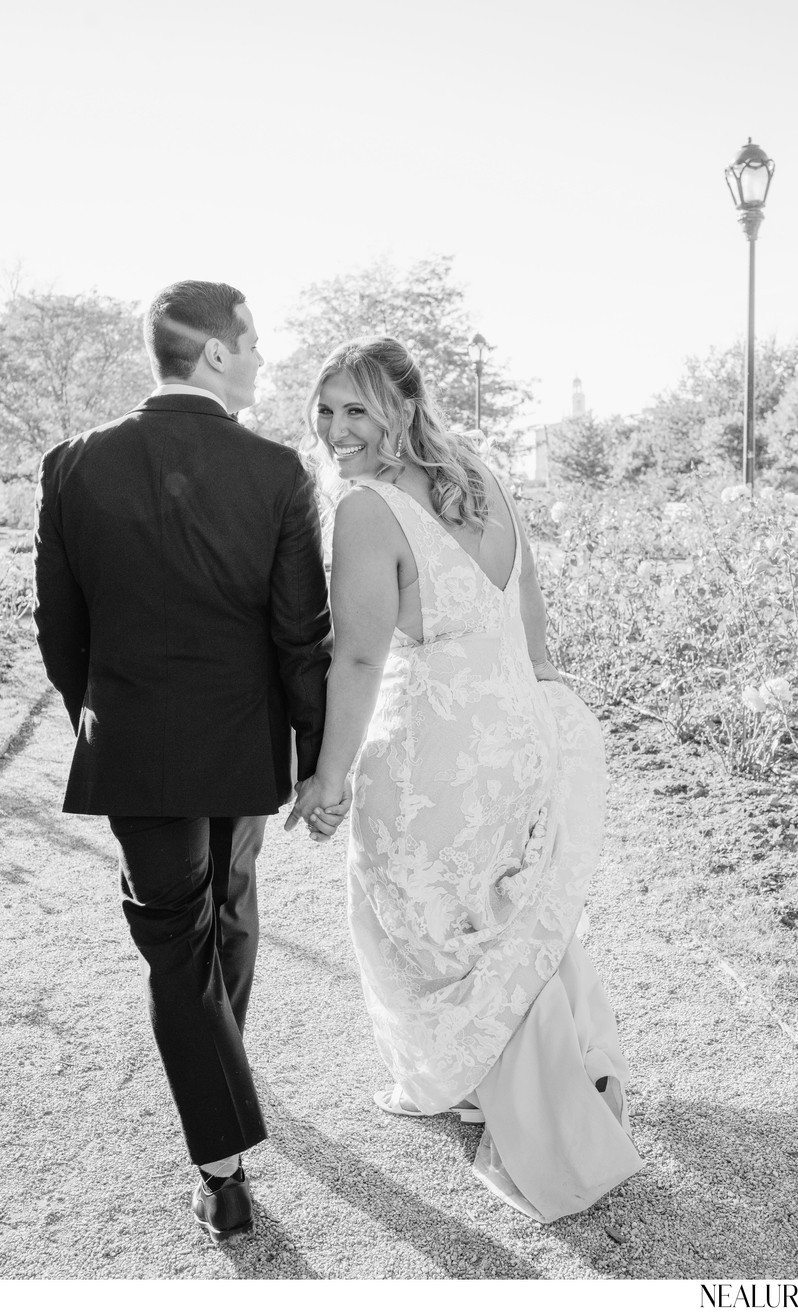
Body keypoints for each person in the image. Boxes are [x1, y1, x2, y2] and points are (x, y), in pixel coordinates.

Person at [287, 337, 643, 1222]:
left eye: (357, 409)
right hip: (515, 726)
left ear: (403, 409)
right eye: (325, 410)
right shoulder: (480, 475)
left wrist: (328, 779)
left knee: (427, 916)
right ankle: (546, 1062)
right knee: (503, 906)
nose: (336, 430)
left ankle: (524, 1098)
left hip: (433, 749)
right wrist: (548, 722)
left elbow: (361, 655)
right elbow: (529, 617)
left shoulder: (367, 508)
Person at [32, 280, 344, 1244]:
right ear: (213, 351)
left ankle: (220, 1157)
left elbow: (58, 626)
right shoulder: (277, 470)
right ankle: (226, 1156)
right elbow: (303, 634)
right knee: (227, 912)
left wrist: (110, 711)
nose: (262, 361)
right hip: (243, 740)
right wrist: (310, 753)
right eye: (252, 345)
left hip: (135, 744)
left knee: (178, 936)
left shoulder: (74, 464)